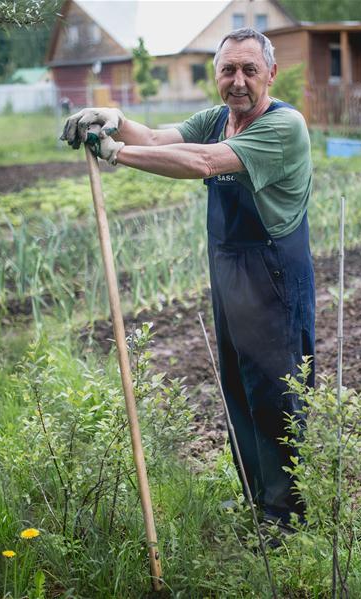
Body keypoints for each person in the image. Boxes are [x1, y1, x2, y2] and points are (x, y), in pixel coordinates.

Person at [60, 28, 314, 530]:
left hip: (274, 274)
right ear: (215, 75)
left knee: (276, 393)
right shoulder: (217, 119)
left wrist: (115, 153)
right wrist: (116, 120)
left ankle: (286, 519)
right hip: (229, 273)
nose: (237, 81)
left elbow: (202, 162)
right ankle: (256, 501)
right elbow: (157, 138)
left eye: (249, 70)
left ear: (271, 75)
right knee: (238, 387)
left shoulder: (284, 127)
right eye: (228, 70)